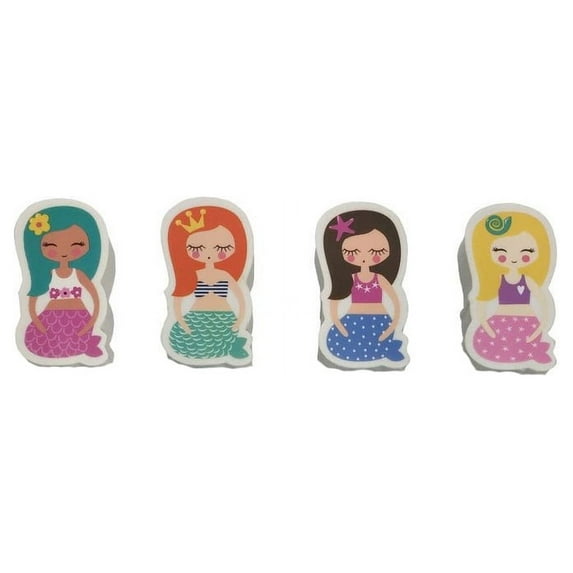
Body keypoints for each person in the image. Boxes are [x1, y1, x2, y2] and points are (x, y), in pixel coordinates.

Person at [466, 208, 555, 367]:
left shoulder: (527, 280)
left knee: (521, 347)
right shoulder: (495, 280)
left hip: (527, 323)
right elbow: (481, 305)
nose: (513, 259)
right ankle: (531, 352)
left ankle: (532, 352)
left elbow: (543, 303)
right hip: (499, 322)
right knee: (483, 345)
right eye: (501, 252)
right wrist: (487, 327)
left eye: (526, 252)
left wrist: (539, 328)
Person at [164, 204, 251, 363]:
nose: (209, 254)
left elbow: (241, 297)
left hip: (223, 318)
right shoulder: (192, 275)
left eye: (221, 248)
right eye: (197, 248)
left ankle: (229, 350)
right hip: (197, 317)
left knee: (221, 344)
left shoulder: (224, 275)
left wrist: (240, 320)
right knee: (186, 343)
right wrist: (181, 321)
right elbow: (178, 298)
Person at [321, 208, 407, 364]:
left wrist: (393, 325)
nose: (364, 258)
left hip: (379, 320)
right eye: (353, 252)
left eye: (375, 251)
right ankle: (384, 350)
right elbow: (335, 301)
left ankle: (385, 349)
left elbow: (396, 302)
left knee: (377, 342)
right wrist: (338, 324)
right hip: (352, 319)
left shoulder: (379, 279)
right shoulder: (350, 279)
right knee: (336, 342)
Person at [21, 205, 104, 359]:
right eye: (51, 245)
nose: (64, 251)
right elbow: (32, 301)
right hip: (50, 316)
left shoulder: (79, 274)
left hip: (78, 316)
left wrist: (92, 321)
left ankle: (85, 345)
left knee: (76, 340)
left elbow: (95, 298)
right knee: (34, 340)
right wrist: (37, 322)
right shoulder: (45, 275)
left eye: (76, 245)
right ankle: (84, 346)